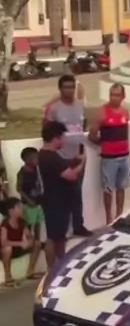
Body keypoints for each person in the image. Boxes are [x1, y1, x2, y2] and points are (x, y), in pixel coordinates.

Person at [45, 74, 90, 236]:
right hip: (61, 158)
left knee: (77, 194)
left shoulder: (80, 106)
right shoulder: (54, 109)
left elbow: (83, 128)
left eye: (72, 87)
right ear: (60, 89)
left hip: (78, 157)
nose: (69, 90)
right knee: (63, 195)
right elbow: (47, 133)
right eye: (66, 87)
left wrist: (82, 153)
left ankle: (78, 225)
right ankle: (64, 229)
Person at [38, 121, 86, 267]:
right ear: (56, 137)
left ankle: (61, 263)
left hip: (54, 203)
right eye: (63, 137)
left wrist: (75, 160)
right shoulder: (51, 157)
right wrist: (82, 163)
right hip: (56, 204)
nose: (64, 140)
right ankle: (53, 268)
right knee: (54, 238)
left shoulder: (44, 155)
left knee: (59, 237)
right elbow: (71, 175)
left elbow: (63, 166)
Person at [88, 83, 130, 225]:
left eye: (117, 95)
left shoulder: (125, 111)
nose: (114, 98)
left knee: (121, 187)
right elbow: (92, 134)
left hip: (124, 156)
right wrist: (104, 144)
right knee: (108, 189)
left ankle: (119, 215)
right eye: (112, 95)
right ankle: (109, 218)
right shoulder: (102, 112)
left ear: (123, 96)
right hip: (109, 158)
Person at [1, 198, 42, 286]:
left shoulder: (22, 222)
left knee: (37, 244)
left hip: (19, 248)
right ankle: (8, 277)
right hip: (8, 250)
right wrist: (20, 243)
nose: (22, 209)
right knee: (7, 249)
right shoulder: (5, 224)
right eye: (18, 207)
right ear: (11, 211)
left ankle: (30, 271)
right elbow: (3, 242)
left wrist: (29, 241)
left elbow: (29, 235)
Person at [16, 147, 43, 241]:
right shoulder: (22, 173)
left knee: (38, 223)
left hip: (38, 201)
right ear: (27, 159)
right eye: (35, 157)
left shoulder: (37, 170)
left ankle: (37, 242)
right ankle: (29, 242)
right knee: (29, 224)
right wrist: (29, 200)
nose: (37, 159)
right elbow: (19, 188)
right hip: (28, 204)